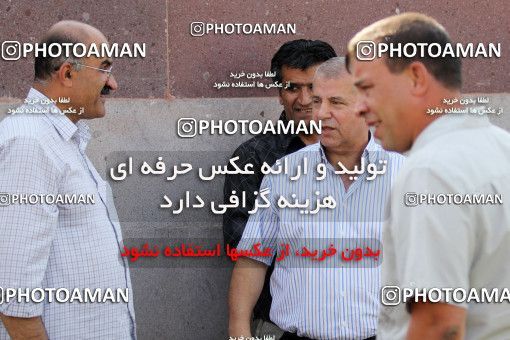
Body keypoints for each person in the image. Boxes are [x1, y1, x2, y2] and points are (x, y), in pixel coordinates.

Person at [347, 12, 510, 340]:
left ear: (417, 78)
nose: (359, 108)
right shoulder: (501, 147)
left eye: (366, 88)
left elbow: (440, 325)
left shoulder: (430, 171)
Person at [229, 57, 404, 339]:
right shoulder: (284, 174)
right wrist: (238, 332)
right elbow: (252, 259)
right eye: (319, 101)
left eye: (335, 102)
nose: (320, 113)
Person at [0, 21, 136, 339]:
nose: (112, 84)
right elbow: (13, 295)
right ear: (68, 73)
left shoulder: (59, 140)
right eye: (104, 69)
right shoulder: (29, 141)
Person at [223, 39, 336, 337]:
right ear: (278, 93)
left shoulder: (369, 152)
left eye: (313, 87)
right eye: (292, 88)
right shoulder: (254, 156)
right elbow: (241, 246)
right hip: (278, 325)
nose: (303, 99)